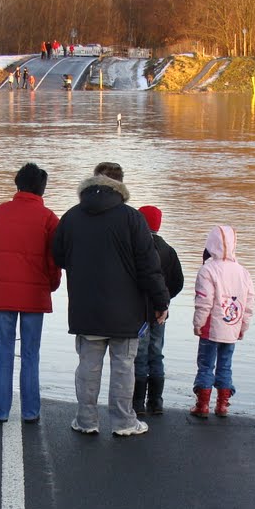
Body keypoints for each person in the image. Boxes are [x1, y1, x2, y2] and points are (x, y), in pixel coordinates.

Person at [51, 164, 169, 437]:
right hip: (126, 311)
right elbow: (149, 267)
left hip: (85, 307)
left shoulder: (71, 217)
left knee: (88, 368)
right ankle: (124, 422)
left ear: (93, 181)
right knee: (123, 368)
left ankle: (86, 419)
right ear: (121, 185)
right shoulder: (132, 219)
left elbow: (58, 256)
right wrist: (161, 301)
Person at [0, 163, 61, 423]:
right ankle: (30, 411)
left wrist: (2, 268)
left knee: (3, 352)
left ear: (17, 184)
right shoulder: (49, 218)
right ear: (42, 187)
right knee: (30, 354)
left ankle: (0, 410)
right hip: (35, 296)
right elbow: (54, 259)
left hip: (2, 292)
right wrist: (53, 284)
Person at [190, 225, 255, 418]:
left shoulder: (208, 270)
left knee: (206, 364)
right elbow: (249, 301)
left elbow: (204, 301)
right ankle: (222, 405)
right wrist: (243, 326)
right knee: (225, 364)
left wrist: (198, 323)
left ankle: (202, 405)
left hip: (211, 327)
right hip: (232, 326)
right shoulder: (243, 272)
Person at [134, 205, 184, 416]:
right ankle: (156, 401)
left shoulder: (137, 249)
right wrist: (165, 301)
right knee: (156, 353)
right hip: (161, 313)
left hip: (139, 312)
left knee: (140, 354)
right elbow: (178, 282)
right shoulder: (169, 251)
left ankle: (137, 402)